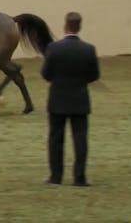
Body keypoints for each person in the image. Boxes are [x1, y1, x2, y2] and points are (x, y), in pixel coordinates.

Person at [42, 12, 100, 187]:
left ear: (65, 26)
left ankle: (55, 176)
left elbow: (46, 74)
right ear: (79, 27)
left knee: (55, 139)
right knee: (80, 139)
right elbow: (94, 76)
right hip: (79, 100)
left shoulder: (53, 48)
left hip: (57, 99)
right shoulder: (89, 49)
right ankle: (79, 177)